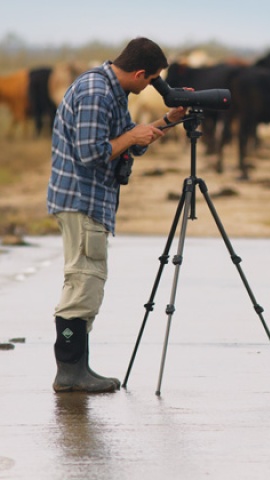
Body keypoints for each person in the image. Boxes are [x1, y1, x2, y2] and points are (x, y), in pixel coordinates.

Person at [47, 37, 187, 393]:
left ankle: (79, 368)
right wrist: (133, 135)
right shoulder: (96, 92)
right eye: (152, 79)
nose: (151, 86)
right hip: (82, 200)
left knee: (87, 282)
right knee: (83, 282)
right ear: (139, 72)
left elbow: (125, 141)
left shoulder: (109, 87)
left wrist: (167, 121)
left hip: (89, 200)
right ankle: (69, 372)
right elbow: (90, 153)